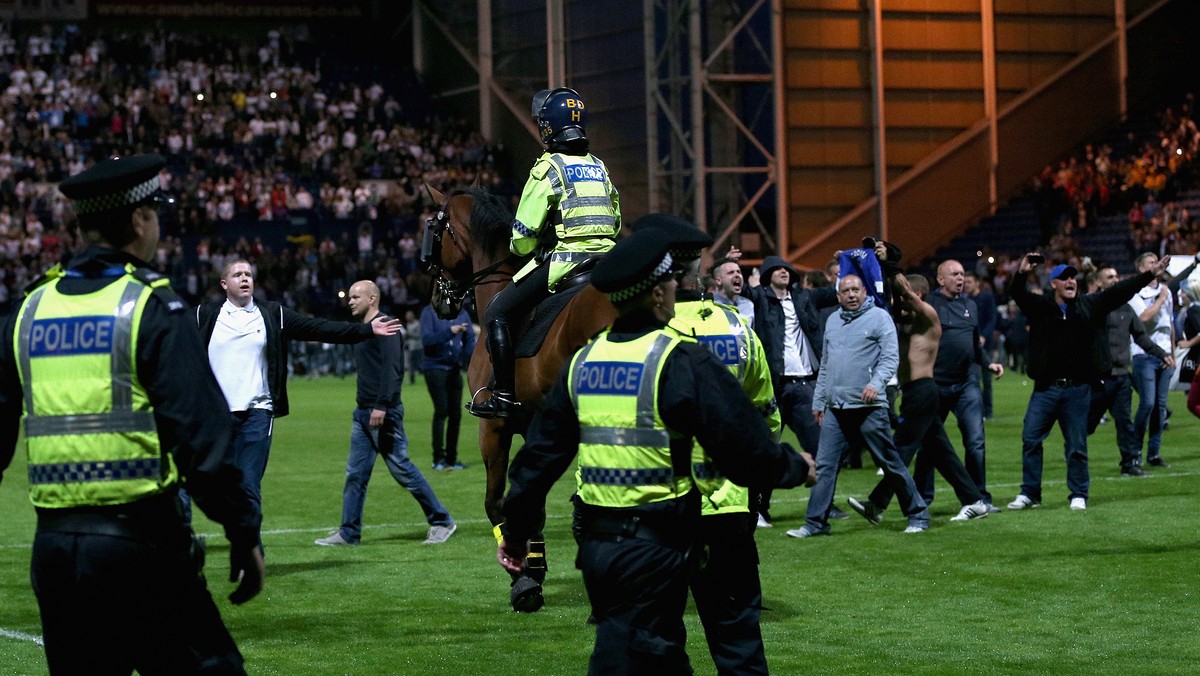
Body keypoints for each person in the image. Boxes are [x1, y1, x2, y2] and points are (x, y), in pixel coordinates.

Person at [496, 229, 812, 674]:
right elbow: (743, 442)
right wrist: (796, 468)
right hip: (671, 532)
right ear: (660, 293)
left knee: (628, 654)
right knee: (722, 648)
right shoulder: (681, 358)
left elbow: (536, 464)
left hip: (604, 545)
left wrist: (515, 535)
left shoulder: (582, 363)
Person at [0, 154, 264, 673]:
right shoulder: (150, 306)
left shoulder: (28, 310)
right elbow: (203, 441)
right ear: (140, 220)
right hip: (141, 548)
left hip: (55, 551)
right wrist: (242, 531)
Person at [642, 214, 812, 675]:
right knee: (737, 638)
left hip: (656, 514)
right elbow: (766, 414)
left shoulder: (635, 337)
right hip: (728, 508)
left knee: (655, 642)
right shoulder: (737, 328)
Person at [196, 260, 401, 542]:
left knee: (248, 487)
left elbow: (319, 328)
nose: (245, 278)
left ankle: (250, 553)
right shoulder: (205, 316)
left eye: (248, 274)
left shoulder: (272, 313)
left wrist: (367, 330)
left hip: (257, 415)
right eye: (237, 274)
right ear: (224, 284)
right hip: (215, 417)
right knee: (198, 485)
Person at [470, 87, 621, 419]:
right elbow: (617, 219)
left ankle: (504, 397)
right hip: (609, 262)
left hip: (567, 262)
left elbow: (522, 238)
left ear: (549, 127)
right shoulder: (599, 166)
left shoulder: (548, 168)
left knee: (497, 312)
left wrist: (527, 243)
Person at [1007, 256, 1169, 511]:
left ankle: (1078, 493)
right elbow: (1017, 293)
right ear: (1054, 284)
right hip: (1045, 389)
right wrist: (1022, 272)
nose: (1071, 281)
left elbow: (1119, 291)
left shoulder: (1089, 305)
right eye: (1064, 278)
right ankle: (1030, 493)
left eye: (1073, 277)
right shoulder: (1040, 307)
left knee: (1077, 445)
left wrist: (1150, 275)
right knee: (1031, 440)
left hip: (1078, 389)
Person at [315, 281, 456, 546]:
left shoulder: (387, 325)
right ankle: (349, 532)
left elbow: (393, 369)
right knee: (355, 474)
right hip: (362, 414)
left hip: (382, 413)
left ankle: (442, 521)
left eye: (356, 296)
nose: (350, 301)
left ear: (372, 299)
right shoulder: (363, 329)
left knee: (402, 469)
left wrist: (382, 405)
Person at [789, 274, 931, 538]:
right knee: (825, 466)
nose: (852, 294)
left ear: (865, 292)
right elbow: (826, 366)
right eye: (846, 291)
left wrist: (876, 385)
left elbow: (890, 358)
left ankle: (918, 514)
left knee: (890, 462)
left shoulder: (879, 317)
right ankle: (815, 523)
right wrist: (819, 400)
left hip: (868, 407)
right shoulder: (832, 321)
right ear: (839, 295)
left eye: (856, 290)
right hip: (835, 407)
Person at [847, 273, 990, 525]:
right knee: (942, 454)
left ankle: (878, 504)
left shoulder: (929, 317)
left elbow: (903, 288)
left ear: (917, 296)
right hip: (913, 393)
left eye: (904, 298)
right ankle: (974, 500)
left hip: (923, 391)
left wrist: (888, 264)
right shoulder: (904, 322)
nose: (899, 302)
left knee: (900, 450)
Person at [739, 253, 839, 527]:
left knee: (821, 449)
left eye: (787, 269)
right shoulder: (760, 299)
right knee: (767, 449)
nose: (784, 271)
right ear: (767, 275)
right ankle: (759, 510)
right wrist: (728, 260)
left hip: (805, 385)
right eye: (777, 269)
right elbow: (733, 283)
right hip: (774, 387)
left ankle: (825, 507)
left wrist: (855, 262)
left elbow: (838, 291)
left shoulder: (805, 298)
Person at [927, 259, 1004, 511]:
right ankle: (922, 500)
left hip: (966, 383)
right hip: (936, 384)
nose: (960, 278)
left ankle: (978, 497)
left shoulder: (970, 305)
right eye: (954, 274)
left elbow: (974, 344)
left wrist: (987, 364)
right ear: (940, 279)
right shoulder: (929, 304)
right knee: (928, 444)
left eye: (962, 274)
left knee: (975, 442)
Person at [1085, 265, 1171, 476]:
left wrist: (1161, 353)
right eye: (1109, 277)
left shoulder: (1126, 308)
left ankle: (1129, 464)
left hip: (1122, 375)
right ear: (1099, 282)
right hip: (1098, 378)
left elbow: (1141, 336)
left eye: (1116, 276)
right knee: (1087, 423)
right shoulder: (1092, 307)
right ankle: (1074, 451)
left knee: (1124, 422)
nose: (1115, 279)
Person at [1127, 252, 1178, 468]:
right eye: (1150, 262)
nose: (1156, 264)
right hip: (1144, 354)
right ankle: (1135, 451)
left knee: (1160, 406)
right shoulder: (1134, 292)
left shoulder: (1165, 292)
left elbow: (1170, 325)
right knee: (1147, 403)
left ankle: (1154, 454)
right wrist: (1161, 298)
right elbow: (1144, 319)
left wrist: (1173, 353)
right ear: (1141, 268)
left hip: (1165, 354)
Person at [420, 302, 475, 470]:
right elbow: (427, 340)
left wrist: (470, 359)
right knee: (442, 410)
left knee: (456, 414)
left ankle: (451, 459)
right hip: (435, 368)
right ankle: (438, 459)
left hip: (454, 369)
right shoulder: (429, 312)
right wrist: (449, 332)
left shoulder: (462, 313)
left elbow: (470, 339)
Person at [965, 271, 998, 419]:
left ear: (977, 283)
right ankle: (978, 410)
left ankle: (988, 411)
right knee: (973, 378)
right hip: (971, 343)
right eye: (965, 282)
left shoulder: (986, 297)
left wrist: (984, 335)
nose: (966, 285)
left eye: (969, 282)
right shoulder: (964, 300)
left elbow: (992, 318)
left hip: (986, 343)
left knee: (986, 379)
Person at [709, 255, 754, 324]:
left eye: (738, 272)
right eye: (731, 272)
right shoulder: (709, 306)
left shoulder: (748, 305)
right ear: (718, 281)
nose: (737, 275)